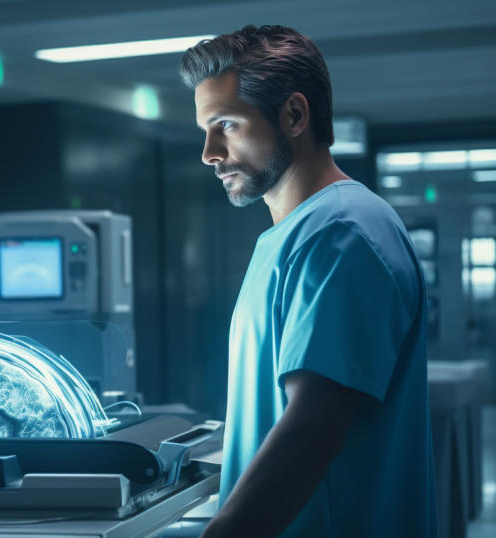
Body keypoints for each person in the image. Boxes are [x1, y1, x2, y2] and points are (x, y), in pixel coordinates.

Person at [178, 25, 437, 537]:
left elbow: (313, 426)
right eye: (205, 130)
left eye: (226, 125)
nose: (209, 152)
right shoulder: (293, 236)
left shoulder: (343, 233)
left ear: (294, 115)